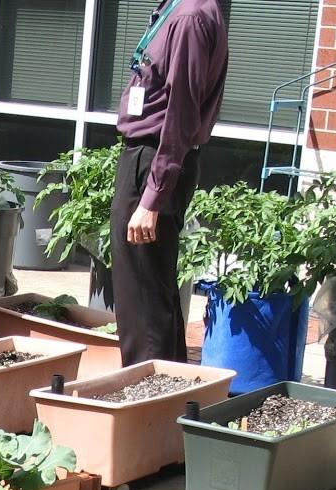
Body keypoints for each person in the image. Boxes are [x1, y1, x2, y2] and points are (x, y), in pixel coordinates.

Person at [111, 0, 227, 366]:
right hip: (148, 158)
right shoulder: (177, 9)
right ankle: (171, 389)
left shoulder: (190, 16)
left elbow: (182, 112)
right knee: (152, 289)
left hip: (154, 161)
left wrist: (152, 198)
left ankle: (146, 392)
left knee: (142, 298)